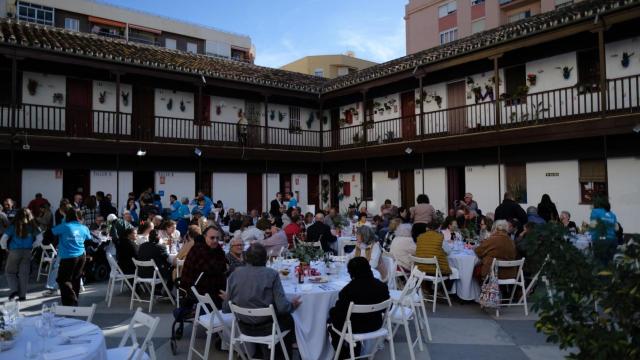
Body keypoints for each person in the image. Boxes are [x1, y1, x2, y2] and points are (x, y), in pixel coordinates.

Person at [221, 243, 301, 359]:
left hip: (243, 327)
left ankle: (260, 353)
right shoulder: (271, 274)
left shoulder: (235, 274)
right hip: (267, 329)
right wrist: (293, 305)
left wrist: (232, 299)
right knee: (289, 319)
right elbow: (283, 308)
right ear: (265, 258)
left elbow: (226, 308)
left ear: (246, 258)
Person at [328, 256, 389, 358]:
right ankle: (354, 350)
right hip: (376, 324)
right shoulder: (382, 286)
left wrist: (331, 312)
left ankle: (344, 355)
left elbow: (339, 313)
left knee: (331, 322)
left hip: (355, 328)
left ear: (351, 273)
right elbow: (388, 308)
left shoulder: (348, 290)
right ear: (369, 269)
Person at [52, 208, 92, 306]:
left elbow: (51, 232)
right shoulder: (84, 227)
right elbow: (89, 239)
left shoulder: (64, 226)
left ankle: (70, 300)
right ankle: (74, 302)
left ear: (67, 216)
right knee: (76, 279)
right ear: (80, 217)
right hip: (81, 256)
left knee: (63, 279)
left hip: (68, 256)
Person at [181, 225, 228, 307]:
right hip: (197, 290)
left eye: (217, 238)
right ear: (205, 237)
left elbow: (223, 266)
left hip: (207, 287)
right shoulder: (199, 249)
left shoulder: (216, 248)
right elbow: (212, 269)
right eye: (212, 238)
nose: (215, 240)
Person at [1, 208, 42, 300]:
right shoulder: (33, 226)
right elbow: (40, 238)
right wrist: (33, 245)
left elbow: (3, 239)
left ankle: (14, 290)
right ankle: (22, 296)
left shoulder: (13, 226)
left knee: (10, 272)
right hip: (27, 251)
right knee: (24, 274)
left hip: (14, 251)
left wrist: (5, 248)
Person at [589, 196, 618, 263]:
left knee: (600, 263)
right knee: (609, 263)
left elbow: (593, 225)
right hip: (612, 240)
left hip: (600, 240)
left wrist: (588, 228)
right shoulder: (612, 214)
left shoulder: (595, 211)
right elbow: (616, 228)